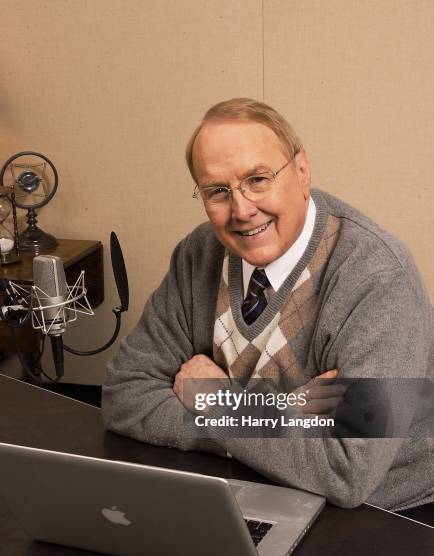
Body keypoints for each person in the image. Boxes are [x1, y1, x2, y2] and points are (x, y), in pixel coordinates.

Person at [102, 98, 433, 512]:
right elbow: (125, 394)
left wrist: (216, 400)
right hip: (256, 488)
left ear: (301, 171)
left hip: (390, 516)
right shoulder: (198, 254)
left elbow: (348, 471)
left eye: (258, 179)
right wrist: (284, 412)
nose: (241, 210)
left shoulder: (377, 276)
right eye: (217, 191)